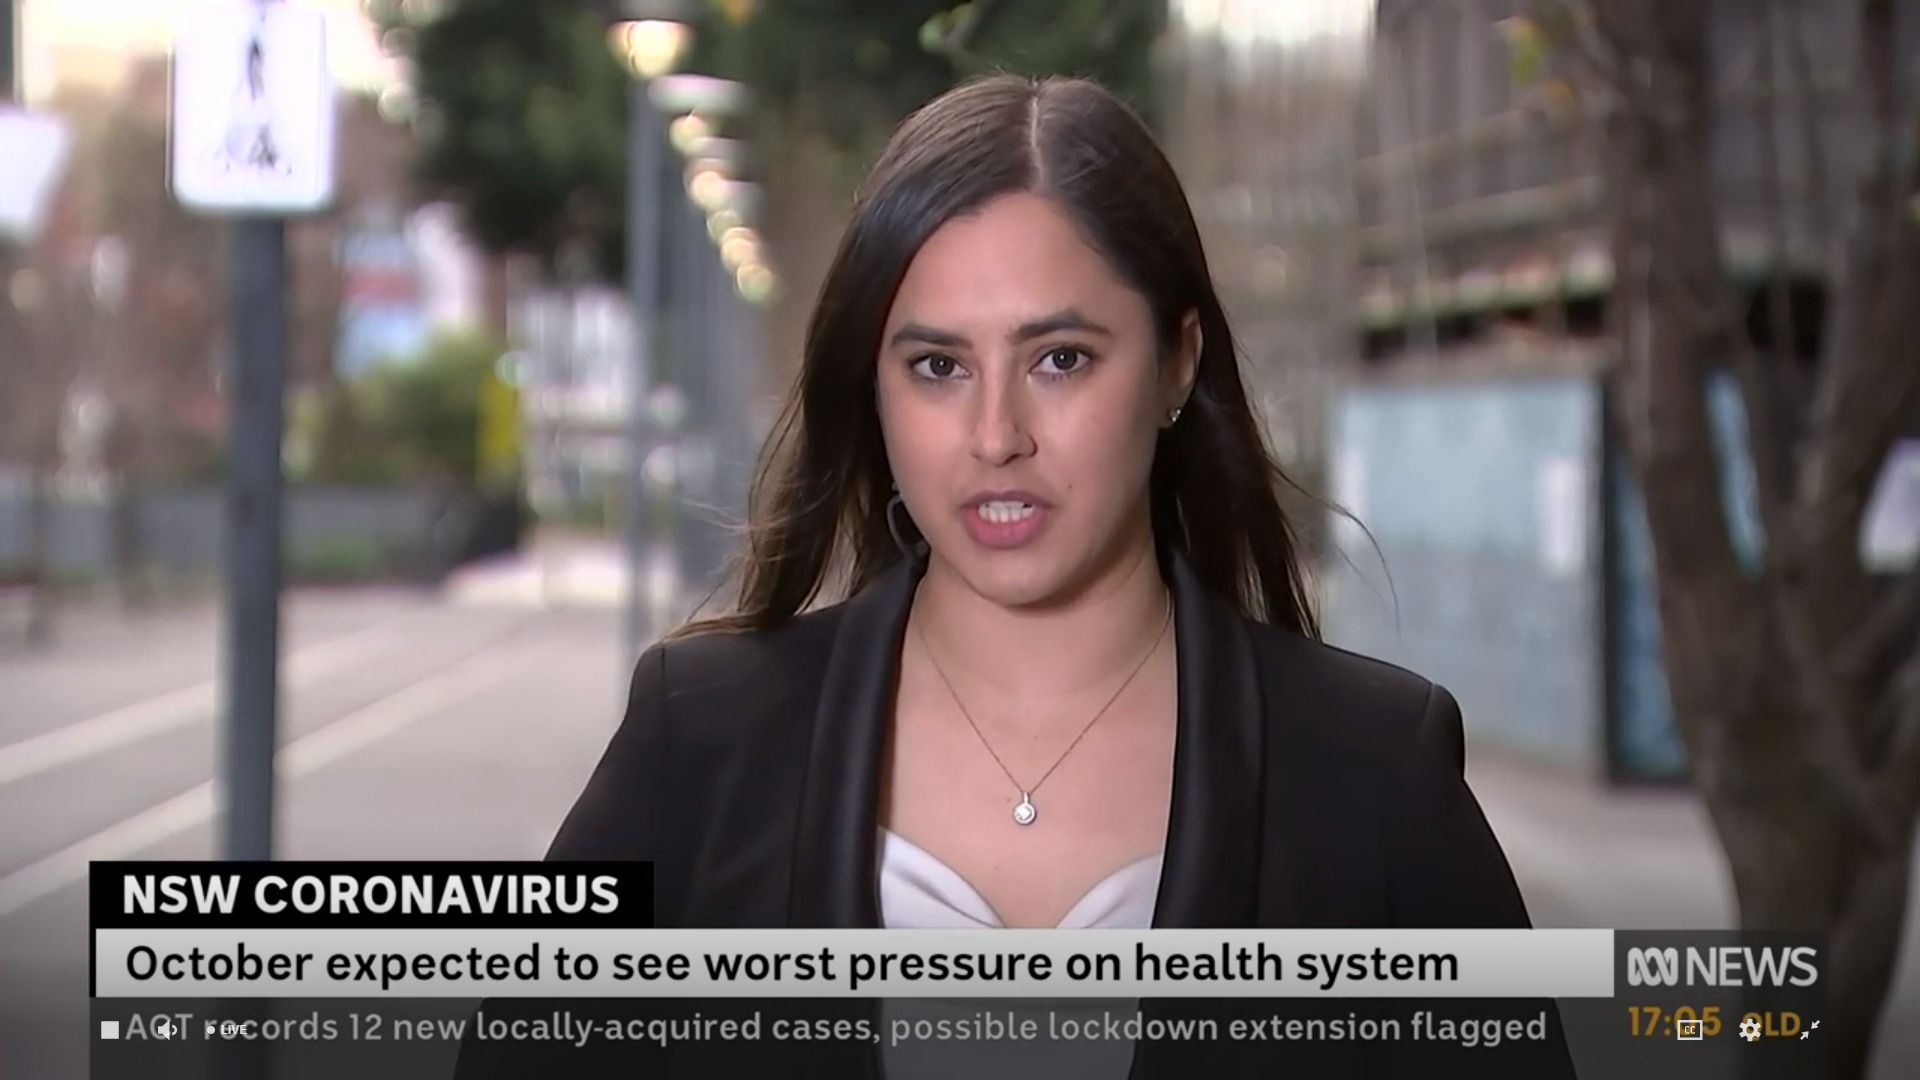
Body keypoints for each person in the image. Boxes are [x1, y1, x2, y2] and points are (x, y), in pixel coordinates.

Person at [455, 74, 1577, 1080]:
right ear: (875, 387)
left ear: (1177, 363)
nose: (996, 435)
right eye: (938, 366)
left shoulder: (1372, 770)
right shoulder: (703, 740)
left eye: (1060, 359)